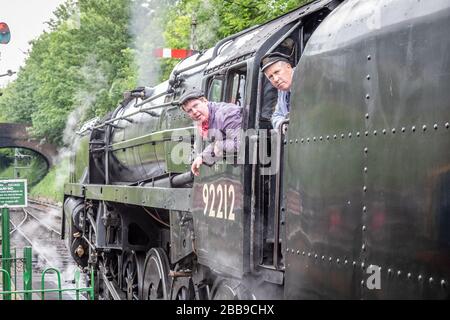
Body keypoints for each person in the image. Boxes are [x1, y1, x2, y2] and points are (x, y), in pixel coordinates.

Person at [179, 89, 242, 176]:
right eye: (189, 110)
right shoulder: (207, 120)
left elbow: (241, 143)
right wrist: (202, 157)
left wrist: (219, 146)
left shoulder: (226, 114)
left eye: (196, 105)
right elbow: (221, 140)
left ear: (204, 101)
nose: (194, 112)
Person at [260, 51, 294, 133]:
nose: (275, 79)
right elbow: (276, 115)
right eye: (271, 77)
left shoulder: (305, 78)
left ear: (288, 67)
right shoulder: (282, 91)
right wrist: (284, 126)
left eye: (277, 72)